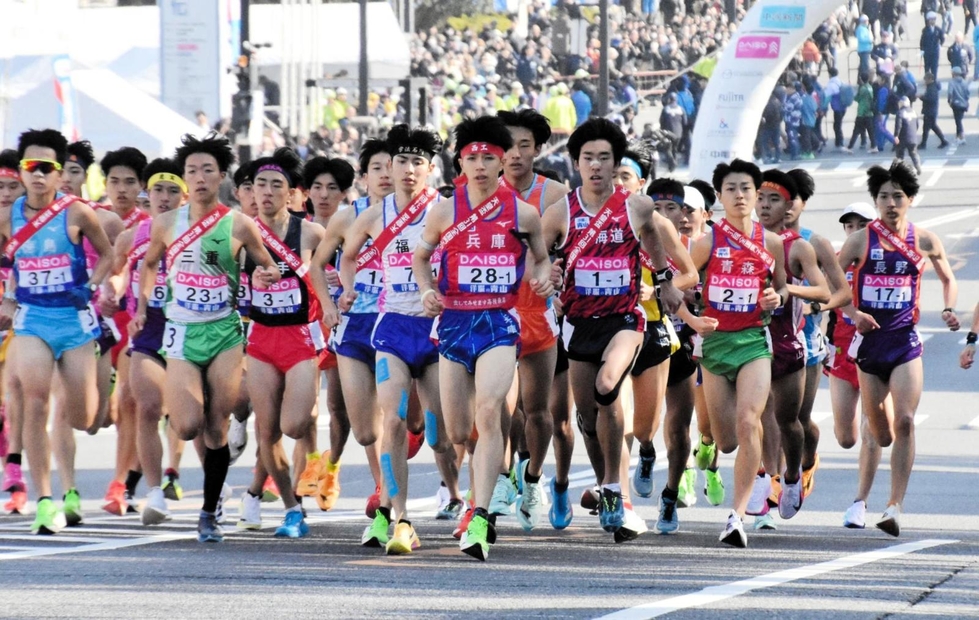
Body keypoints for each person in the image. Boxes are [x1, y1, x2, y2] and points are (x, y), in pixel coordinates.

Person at [413, 115, 555, 560]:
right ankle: (482, 481)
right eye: (471, 157)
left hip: (498, 324)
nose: (479, 165)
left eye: (488, 158)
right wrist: (427, 290)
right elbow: (422, 257)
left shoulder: (523, 213)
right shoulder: (443, 209)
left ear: (501, 163)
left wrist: (545, 277)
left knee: (491, 410)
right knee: (460, 431)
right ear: (460, 162)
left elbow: (542, 259)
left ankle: (480, 516)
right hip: (454, 325)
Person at [539, 118, 689, 538]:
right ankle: (608, 481)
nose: (597, 166)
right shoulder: (560, 212)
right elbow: (538, 255)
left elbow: (656, 247)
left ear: (614, 163)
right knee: (587, 415)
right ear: (576, 163)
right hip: (579, 322)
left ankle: (612, 489)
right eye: (589, 158)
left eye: (605, 158)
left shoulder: (636, 206)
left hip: (626, 319)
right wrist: (546, 273)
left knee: (608, 385)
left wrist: (665, 285)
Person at [132, 132, 281, 543]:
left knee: (215, 426)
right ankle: (208, 493)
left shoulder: (238, 223)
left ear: (222, 178)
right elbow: (148, 265)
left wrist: (266, 274)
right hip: (181, 331)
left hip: (224, 333)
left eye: (208, 171)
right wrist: (144, 306)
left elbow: (266, 266)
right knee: (185, 425)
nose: (199, 178)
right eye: (192, 171)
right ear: (184, 179)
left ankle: (209, 511)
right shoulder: (164, 224)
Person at [339, 124, 460, 555]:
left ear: (431, 169)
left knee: (442, 435)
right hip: (391, 328)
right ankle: (398, 517)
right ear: (389, 166)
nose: (408, 170)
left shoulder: (447, 210)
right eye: (401, 161)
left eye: (417, 163)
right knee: (390, 420)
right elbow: (347, 257)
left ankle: (459, 496)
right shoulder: (373, 215)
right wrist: (352, 289)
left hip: (436, 330)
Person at [837, 162, 960, 536]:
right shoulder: (860, 241)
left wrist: (949, 307)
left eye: (898, 197)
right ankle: (873, 490)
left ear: (910, 200)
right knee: (883, 433)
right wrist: (852, 311)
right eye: (884, 197)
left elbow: (948, 278)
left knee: (905, 420)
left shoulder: (924, 240)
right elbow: (832, 283)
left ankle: (894, 506)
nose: (891, 203)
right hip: (870, 346)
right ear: (875, 201)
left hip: (905, 341)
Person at [0, 129, 113, 534]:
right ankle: (44, 500)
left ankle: (71, 490)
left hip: (75, 321)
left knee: (82, 417)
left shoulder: (78, 212)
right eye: (31, 167)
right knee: (35, 402)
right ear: (23, 171)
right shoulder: (7, 215)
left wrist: (95, 286)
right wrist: (7, 302)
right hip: (33, 320)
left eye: (47, 168)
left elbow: (108, 254)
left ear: (59, 171)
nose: (38, 175)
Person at [687, 158, 788, 548]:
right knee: (727, 440)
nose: (741, 195)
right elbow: (678, 287)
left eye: (747, 188)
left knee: (750, 420)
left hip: (753, 342)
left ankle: (738, 515)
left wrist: (773, 298)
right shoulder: (706, 242)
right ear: (720, 196)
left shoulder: (772, 242)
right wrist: (691, 316)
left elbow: (779, 292)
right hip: (714, 345)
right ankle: (708, 441)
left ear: (756, 192)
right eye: (732, 189)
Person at [245, 149, 339, 538]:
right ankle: (291, 509)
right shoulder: (240, 230)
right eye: (260, 185)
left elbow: (340, 270)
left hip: (301, 339)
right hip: (261, 340)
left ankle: (312, 473)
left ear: (292, 194)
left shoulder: (312, 233)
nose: (266, 192)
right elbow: (229, 283)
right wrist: (251, 284)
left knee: (296, 423)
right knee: (266, 433)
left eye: (276, 186)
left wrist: (336, 299)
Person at [310, 139, 396, 519]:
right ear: (364, 178)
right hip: (355, 325)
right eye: (377, 168)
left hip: (401, 323)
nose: (386, 175)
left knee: (397, 416)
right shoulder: (348, 218)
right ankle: (383, 486)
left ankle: (388, 494)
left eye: (392, 166)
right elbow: (317, 266)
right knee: (364, 430)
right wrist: (330, 305)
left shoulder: (425, 216)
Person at [497, 109, 571, 530]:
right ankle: (501, 482)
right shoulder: (477, 193)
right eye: (508, 146)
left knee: (540, 412)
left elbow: (573, 248)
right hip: (494, 312)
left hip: (543, 312)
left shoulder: (557, 194)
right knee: (500, 407)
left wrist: (556, 272)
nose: (516, 154)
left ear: (538, 150)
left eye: (525, 146)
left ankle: (532, 478)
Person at [107, 157, 187, 525]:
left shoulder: (200, 231)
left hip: (193, 328)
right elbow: (118, 275)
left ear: (184, 198)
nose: (164, 198)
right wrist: (111, 292)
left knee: (194, 422)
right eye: (158, 190)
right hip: (150, 327)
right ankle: (154, 492)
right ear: (147, 194)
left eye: (173, 191)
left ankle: (211, 489)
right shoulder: (130, 236)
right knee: (146, 406)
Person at [750, 170, 831, 528]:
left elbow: (831, 292)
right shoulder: (743, 239)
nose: (765, 206)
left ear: (792, 205)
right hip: (751, 342)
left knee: (793, 423)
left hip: (799, 342)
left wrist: (790, 294)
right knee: (758, 415)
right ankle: (767, 482)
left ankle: (797, 471)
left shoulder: (806, 244)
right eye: (761, 198)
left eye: (776, 199)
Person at [823, 202, 886, 530]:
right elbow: (824, 303)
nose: (855, 229)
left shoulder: (886, 260)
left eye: (863, 224)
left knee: (871, 428)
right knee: (846, 436)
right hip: (842, 351)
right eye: (849, 224)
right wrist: (821, 344)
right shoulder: (836, 260)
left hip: (878, 350)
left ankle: (859, 503)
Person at [96, 146, 150, 517]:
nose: (121, 189)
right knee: (98, 415)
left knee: (130, 402)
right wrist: (107, 290)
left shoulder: (150, 224)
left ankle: (122, 483)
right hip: (100, 320)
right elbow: (112, 269)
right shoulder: (89, 217)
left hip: (138, 321)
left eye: (129, 182)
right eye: (114, 181)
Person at [846, 73, 876, 153]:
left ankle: (850, 147)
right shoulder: (870, 87)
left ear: (861, 79)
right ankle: (874, 146)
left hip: (862, 112)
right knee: (870, 131)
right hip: (869, 112)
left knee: (856, 131)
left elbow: (857, 98)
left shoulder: (862, 89)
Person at [919, 72, 949, 149]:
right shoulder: (932, 87)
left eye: (926, 79)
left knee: (926, 128)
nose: (925, 81)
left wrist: (922, 97)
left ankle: (923, 143)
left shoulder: (931, 89)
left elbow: (930, 99)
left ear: (930, 79)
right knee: (932, 126)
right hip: (931, 110)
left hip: (930, 111)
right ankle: (943, 140)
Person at [894, 97, 922, 174]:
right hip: (912, 138)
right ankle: (918, 167)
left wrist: (896, 135)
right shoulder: (914, 112)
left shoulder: (900, 112)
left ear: (902, 103)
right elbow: (917, 125)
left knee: (900, 154)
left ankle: (900, 170)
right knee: (913, 153)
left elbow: (898, 125)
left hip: (903, 137)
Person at [947, 66, 970, 144]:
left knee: (958, 121)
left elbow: (950, 93)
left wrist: (949, 101)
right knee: (958, 119)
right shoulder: (964, 82)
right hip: (964, 104)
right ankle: (957, 136)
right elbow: (967, 94)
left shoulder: (952, 82)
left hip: (956, 104)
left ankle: (962, 136)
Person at [921, 12, 946, 78]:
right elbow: (922, 41)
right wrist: (922, 50)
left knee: (934, 67)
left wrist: (940, 45)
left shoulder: (938, 29)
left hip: (935, 51)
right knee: (927, 67)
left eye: (933, 19)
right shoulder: (925, 30)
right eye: (930, 19)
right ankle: (928, 80)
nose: (932, 21)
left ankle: (934, 80)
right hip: (927, 52)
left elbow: (942, 38)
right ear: (928, 20)